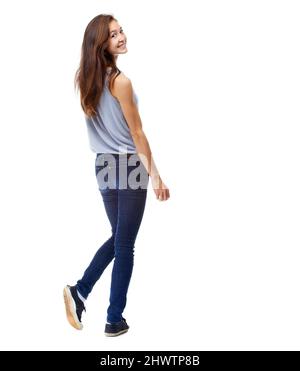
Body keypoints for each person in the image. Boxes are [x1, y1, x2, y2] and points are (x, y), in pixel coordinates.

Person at [63, 14, 170, 337]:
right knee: (125, 244)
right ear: (101, 44)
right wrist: (156, 176)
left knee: (119, 237)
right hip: (128, 166)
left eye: (120, 30)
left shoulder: (84, 77)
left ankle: (79, 292)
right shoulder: (120, 82)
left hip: (103, 167)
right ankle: (113, 317)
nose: (122, 37)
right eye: (113, 34)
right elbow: (136, 133)